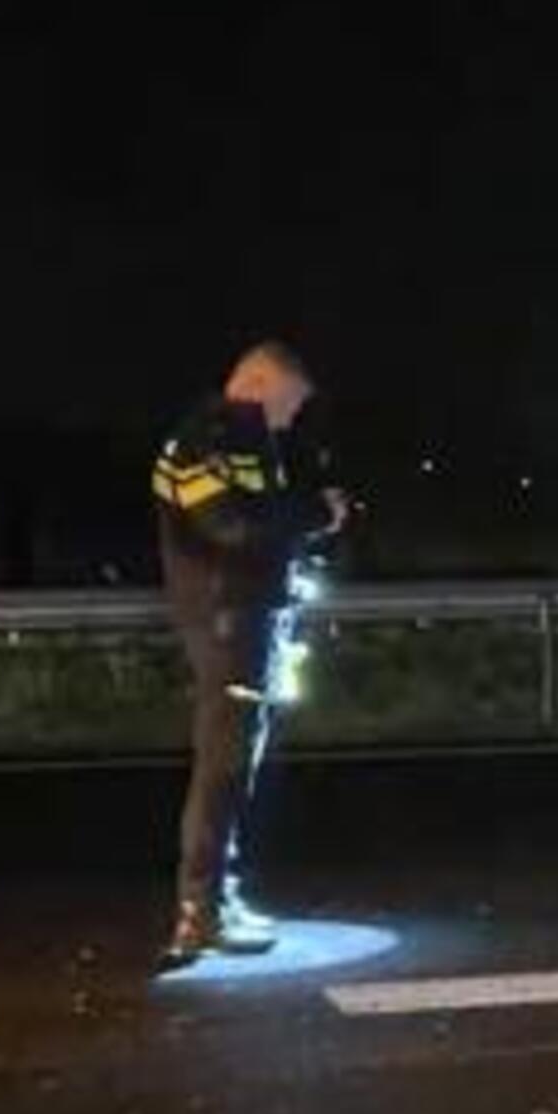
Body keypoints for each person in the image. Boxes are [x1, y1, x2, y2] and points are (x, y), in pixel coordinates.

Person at [151, 339, 351, 967]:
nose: (291, 419)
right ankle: (199, 912)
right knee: (225, 766)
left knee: (239, 765)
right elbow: (231, 526)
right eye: (289, 405)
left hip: (248, 618)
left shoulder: (245, 444)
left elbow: (259, 522)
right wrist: (315, 515)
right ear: (259, 384)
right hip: (225, 620)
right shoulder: (202, 440)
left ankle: (217, 900)